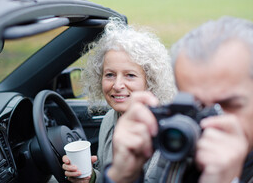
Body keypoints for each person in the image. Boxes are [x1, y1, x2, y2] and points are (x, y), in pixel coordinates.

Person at [104, 16, 253, 183]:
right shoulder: (177, 145)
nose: (211, 120)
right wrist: (122, 176)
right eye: (195, 107)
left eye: (227, 105)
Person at [62, 17, 177, 182]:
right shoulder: (110, 119)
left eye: (130, 75)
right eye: (110, 74)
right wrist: (90, 177)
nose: (117, 85)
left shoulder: (164, 131)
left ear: (150, 81)